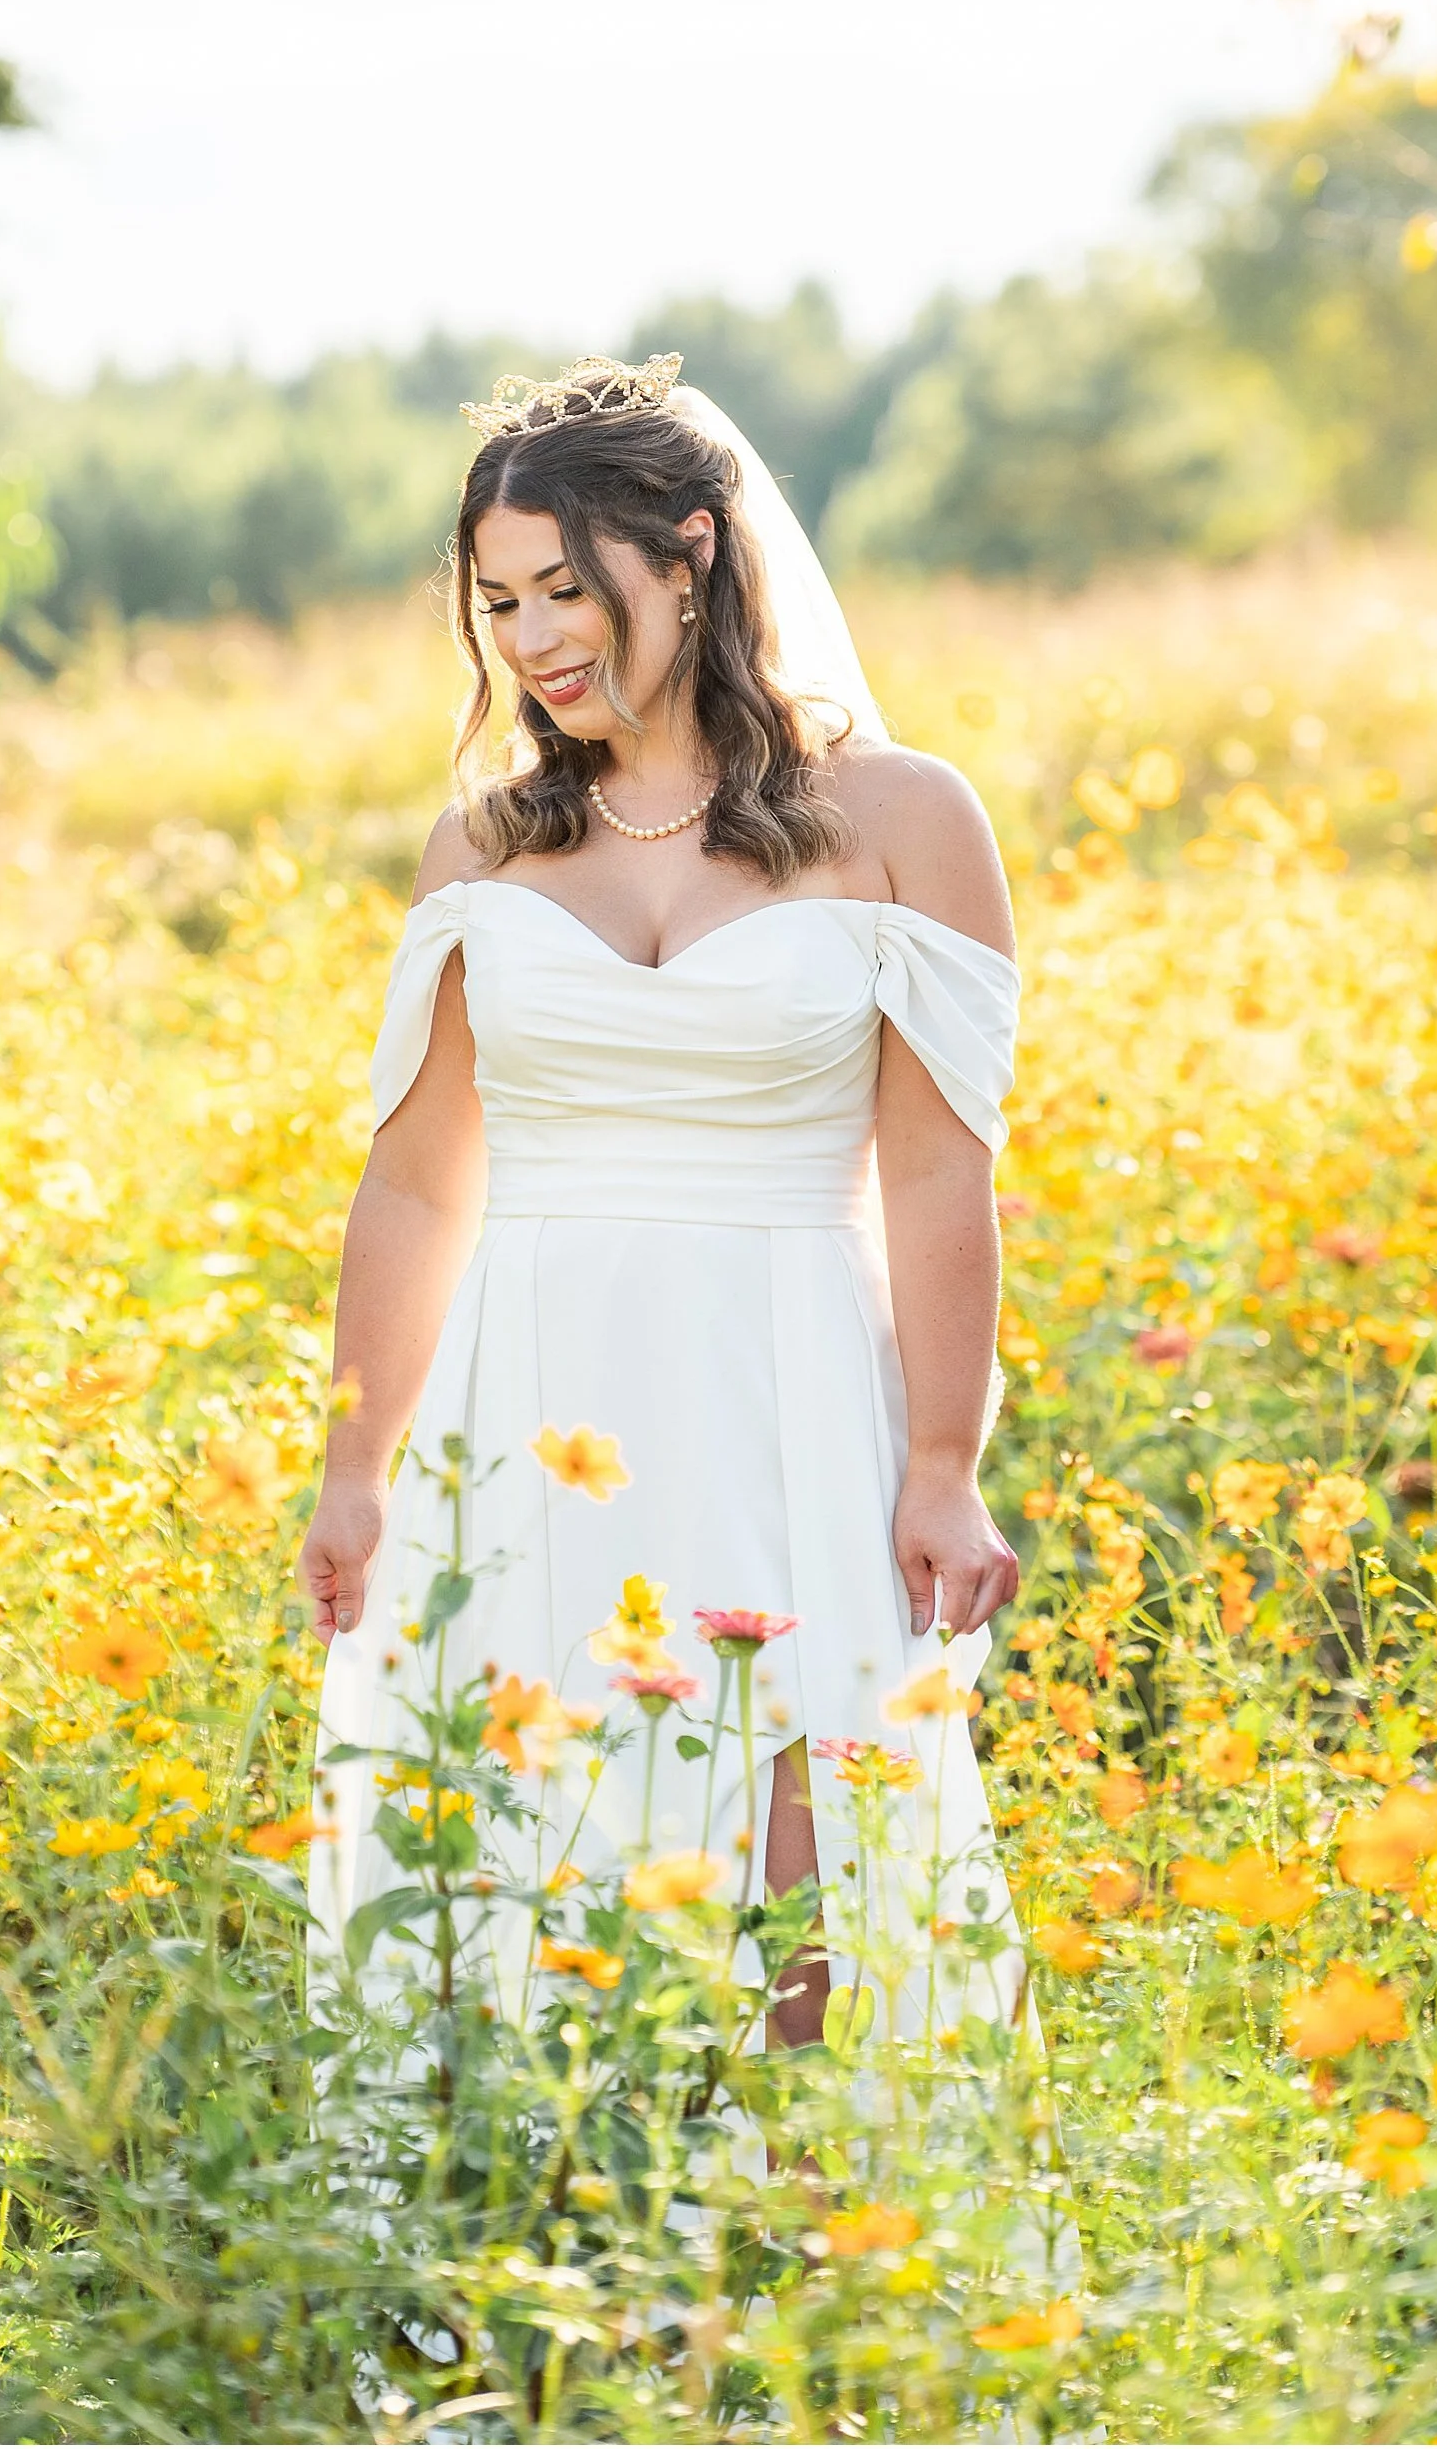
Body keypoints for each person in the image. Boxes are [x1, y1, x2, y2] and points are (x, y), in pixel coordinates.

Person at [298, 353, 1028, 2053]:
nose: (535, 638)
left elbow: (937, 1171)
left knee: (802, 1878)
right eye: (498, 603)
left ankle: (768, 2266)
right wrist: (355, 1462)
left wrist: (943, 1462)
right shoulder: (484, 846)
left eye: (568, 587)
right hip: (529, 1392)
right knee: (523, 1857)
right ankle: (555, 2286)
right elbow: (415, 1179)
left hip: (782, 1385)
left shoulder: (904, 820)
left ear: (691, 554)